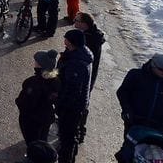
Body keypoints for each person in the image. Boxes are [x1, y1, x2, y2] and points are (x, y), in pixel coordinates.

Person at [56, 29, 93, 163]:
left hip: (72, 107)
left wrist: (60, 105)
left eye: (66, 39)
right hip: (78, 104)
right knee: (71, 134)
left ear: (71, 42)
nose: (64, 41)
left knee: (67, 137)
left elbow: (72, 90)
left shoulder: (76, 63)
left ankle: (66, 159)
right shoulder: (81, 53)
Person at [116, 53, 163, 135]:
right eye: (161, 69)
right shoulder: (136, 75)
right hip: (135, 121)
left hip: (158, 127)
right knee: (131, 146)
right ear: (153, 65)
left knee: (154, 147)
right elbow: (122, 92)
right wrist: (126, 109)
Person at [17, 50, 60, 150]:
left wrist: (18, 102)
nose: (34, 62)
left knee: (33, 143)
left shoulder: (33, 83)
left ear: (40, 65)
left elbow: (27, 104)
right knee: (42, 140)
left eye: (36, 61)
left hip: (33, 120)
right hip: (47, 117)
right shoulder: (56, 80)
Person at [73, 12, 106, 91]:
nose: (74, 21)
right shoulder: (92, 34)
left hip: (82, 78)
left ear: (84, 24)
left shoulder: (89, 40)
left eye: (76, 20)